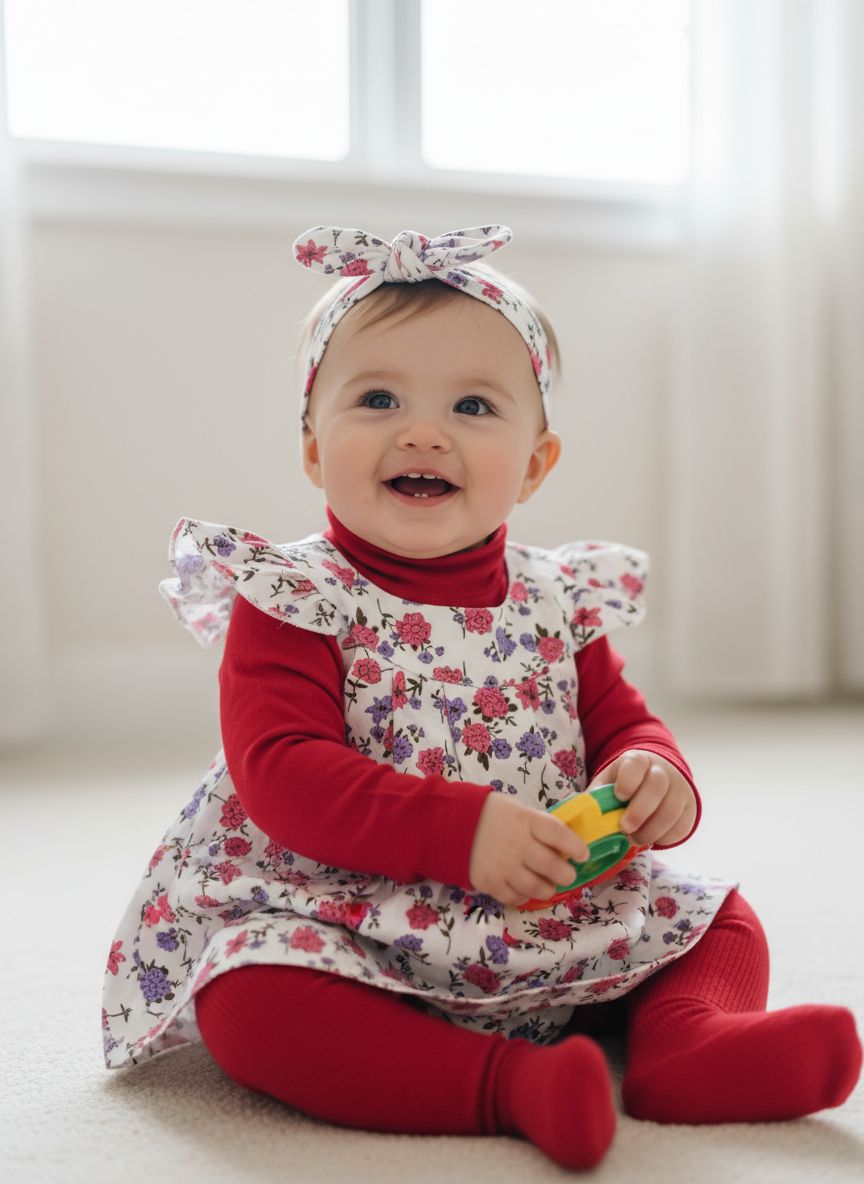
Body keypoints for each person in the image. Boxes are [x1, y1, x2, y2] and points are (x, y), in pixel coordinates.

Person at [102, 225, 861, 1171]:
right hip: (345, 909)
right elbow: (281, 773)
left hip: (539, 895)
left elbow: (616, 715)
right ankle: (502, 1086)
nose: (423, 432)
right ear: (312, 447)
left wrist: (652, 771)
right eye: (377, 398)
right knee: (251, 1002)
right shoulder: (297, 596)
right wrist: (460, 831)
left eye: (472, 404)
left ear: (536, 465)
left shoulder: (554, 596)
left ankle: (689, 1046)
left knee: (717, 917)